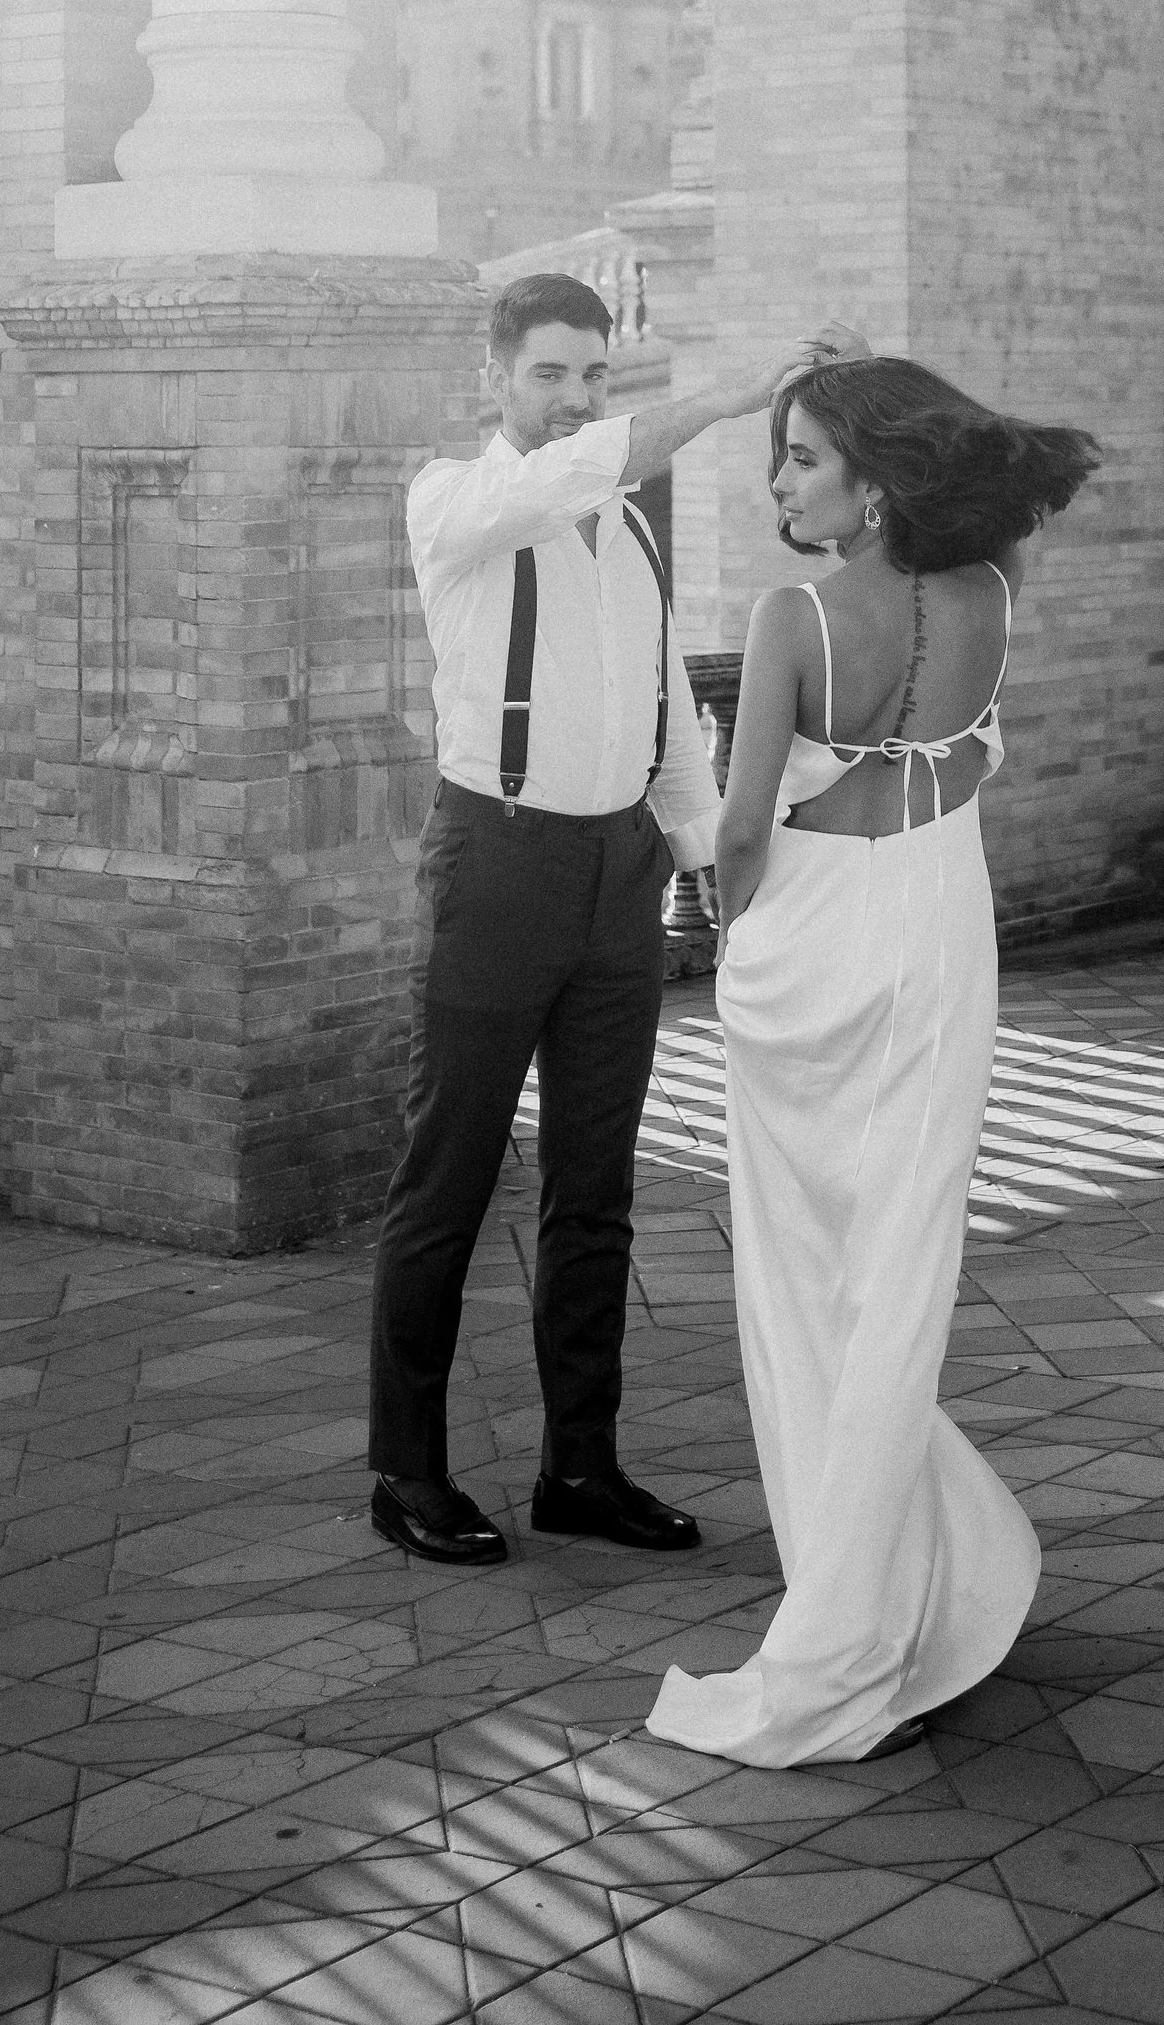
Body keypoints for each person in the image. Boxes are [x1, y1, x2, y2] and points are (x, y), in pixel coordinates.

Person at [648, 354, 1099, 1767]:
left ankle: (844, 1624)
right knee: (902, 1264)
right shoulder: (991, 594)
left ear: (874, 478)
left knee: (806, 1277)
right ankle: (903, 1577)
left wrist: (725, 919)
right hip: (939, 925)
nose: (777, 482)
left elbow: (732, 827)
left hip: (816, 937)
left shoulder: (792, 614)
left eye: (800, 457)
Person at [368, 272, 852, 1569]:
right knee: (448, 1182)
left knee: (597, 1193)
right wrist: (741, 394)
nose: (575, 397)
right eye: (550, 373)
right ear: (497, 377)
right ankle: (405, 1471)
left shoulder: (630, 536)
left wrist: (719, 874)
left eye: (593, 374)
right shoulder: (457, 505)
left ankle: (580, 1464)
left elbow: (667, 726)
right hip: (498, 869)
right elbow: (582, 465)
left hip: (620, 877)